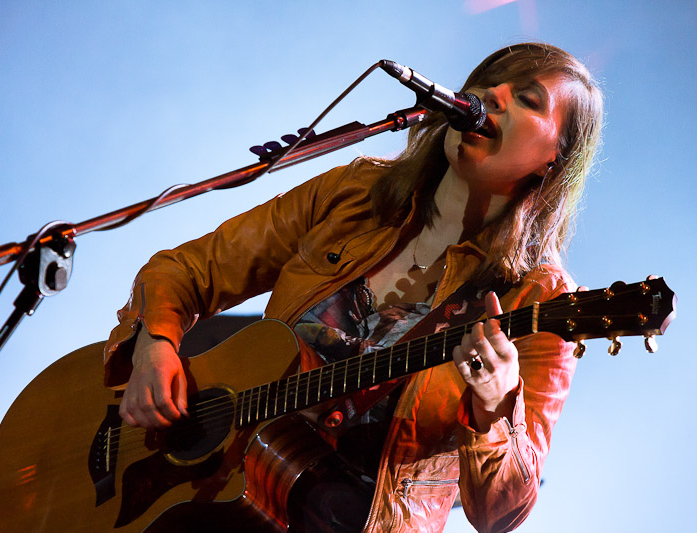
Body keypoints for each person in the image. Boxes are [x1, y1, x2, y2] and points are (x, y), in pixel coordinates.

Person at [104, 42, 604, 532]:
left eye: (528, 99)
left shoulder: (540, 300)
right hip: (219, 500)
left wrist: (495, 405)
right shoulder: (355, 193)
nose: (494, 94)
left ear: (553, 160)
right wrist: (156, 343)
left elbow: (501, 513)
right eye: (492, 80)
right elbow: (189, 267)